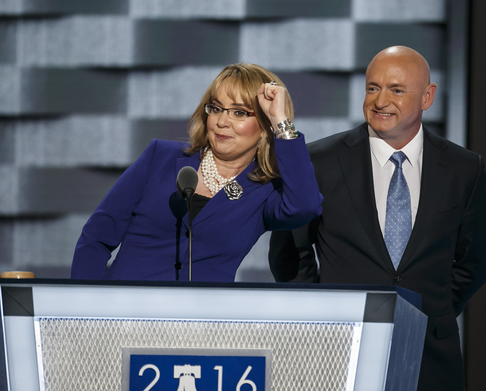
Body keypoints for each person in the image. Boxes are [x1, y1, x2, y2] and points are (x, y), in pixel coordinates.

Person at [269, 46, 486, 391]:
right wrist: (325, 313)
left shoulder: (464, 169)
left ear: (427, 97)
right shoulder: (318, 161)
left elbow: (474, 262)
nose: (380, 100)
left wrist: (428, 312)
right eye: (373, 88)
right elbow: (289, 253)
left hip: (430, 358)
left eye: (396, 89)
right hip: (338, 352)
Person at [71, 63, 322, 282]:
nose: (222, 122)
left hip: (203, 319)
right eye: (216, 108)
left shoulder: (264, 190)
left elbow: (305, 207)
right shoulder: (160, 157)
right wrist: (85, 307)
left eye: (239, 113)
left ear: (266, 125)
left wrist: (281, 122)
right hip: (124, 313)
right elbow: (97, 237)